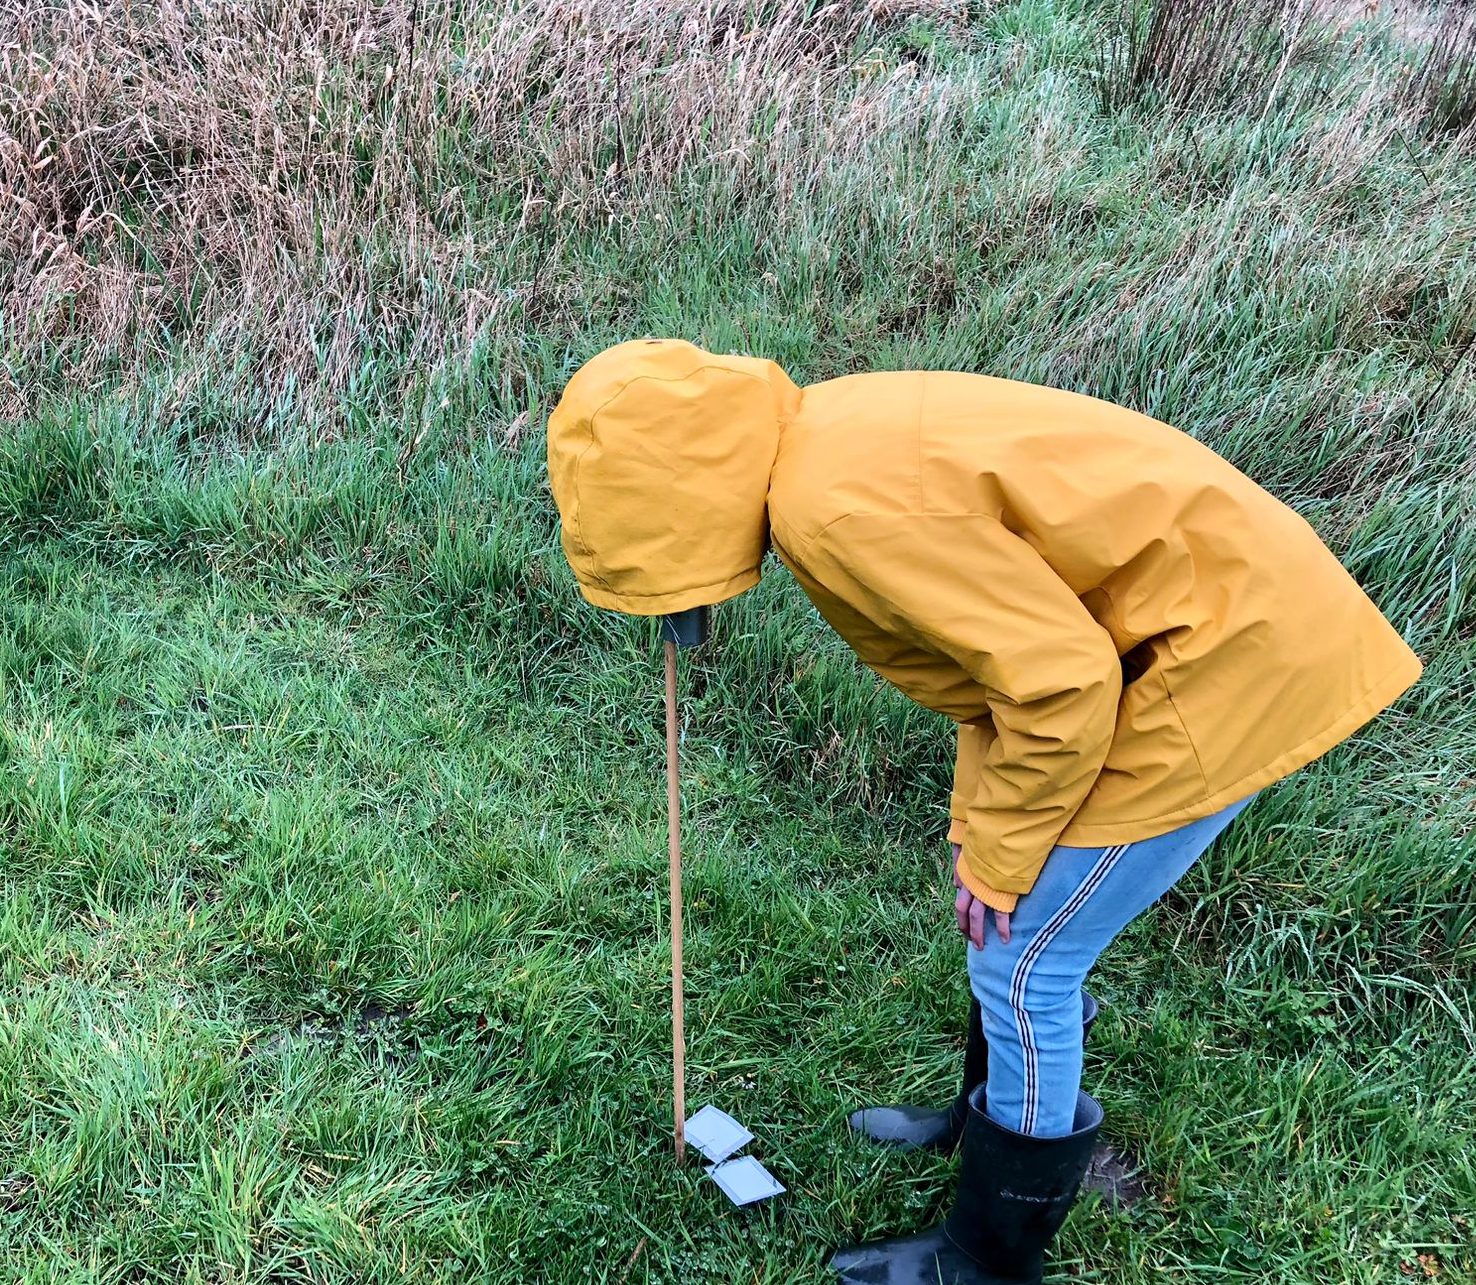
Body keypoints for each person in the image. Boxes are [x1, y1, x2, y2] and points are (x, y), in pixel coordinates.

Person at [545, 339, 1422, 1285]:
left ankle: (990, 1256)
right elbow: (992, 674)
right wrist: (984, 826)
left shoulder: (835, 509)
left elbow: (1060, 683)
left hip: (1215, 659)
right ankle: (991, 1113)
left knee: (1025, 956)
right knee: (1007, 915)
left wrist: (1005, 858)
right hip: (1180, 633)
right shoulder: (821, 436)